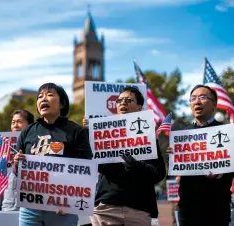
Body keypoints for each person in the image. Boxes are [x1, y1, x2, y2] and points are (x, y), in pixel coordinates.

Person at [13, 83, 93, 226]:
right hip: (30, 207)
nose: (43, 99)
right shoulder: (27, 132)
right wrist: (17, 163)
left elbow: (85, 171)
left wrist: (70, 202)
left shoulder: (76, 132)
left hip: (62, 207)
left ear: (62, 103)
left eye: (50, 95)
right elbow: (17, 171)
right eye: (40, 97)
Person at [86, 87, 166, 226]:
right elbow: (93, 164)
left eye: (129, 100)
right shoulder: (102, 134)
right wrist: (89, 135)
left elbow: (158, 173)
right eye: (119, 100)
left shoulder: (148, 136)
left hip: (139, 210)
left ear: (140, 107)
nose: (123, 102)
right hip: (106, 208)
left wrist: (137, 166)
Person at [167, 85, 233, 226]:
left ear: (214, 104)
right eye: (193, 98)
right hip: (188, 209)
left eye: (203, 97)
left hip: (217, 209)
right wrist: (175, 159)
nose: (197, 102)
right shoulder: (182, 135)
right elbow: (178, 172)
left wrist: (220, 174)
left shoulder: (226, 132)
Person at [0, 110, 34, 213]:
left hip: (30, 208)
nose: (15, 125)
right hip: (7, 207)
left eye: (19, 121)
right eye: (13, 122)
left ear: (30, 125)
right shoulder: (4, 148)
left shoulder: (37, 147)